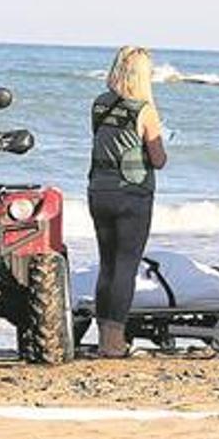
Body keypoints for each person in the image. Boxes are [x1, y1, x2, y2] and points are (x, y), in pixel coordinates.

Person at [88, 46, 168, 358]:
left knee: (106, 265)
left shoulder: (99, 104)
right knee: (125, 267)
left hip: (99, 190)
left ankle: (103, 338)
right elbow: (158, 159)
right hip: (131, 194)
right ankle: (114, 342)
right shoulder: (144, 109)